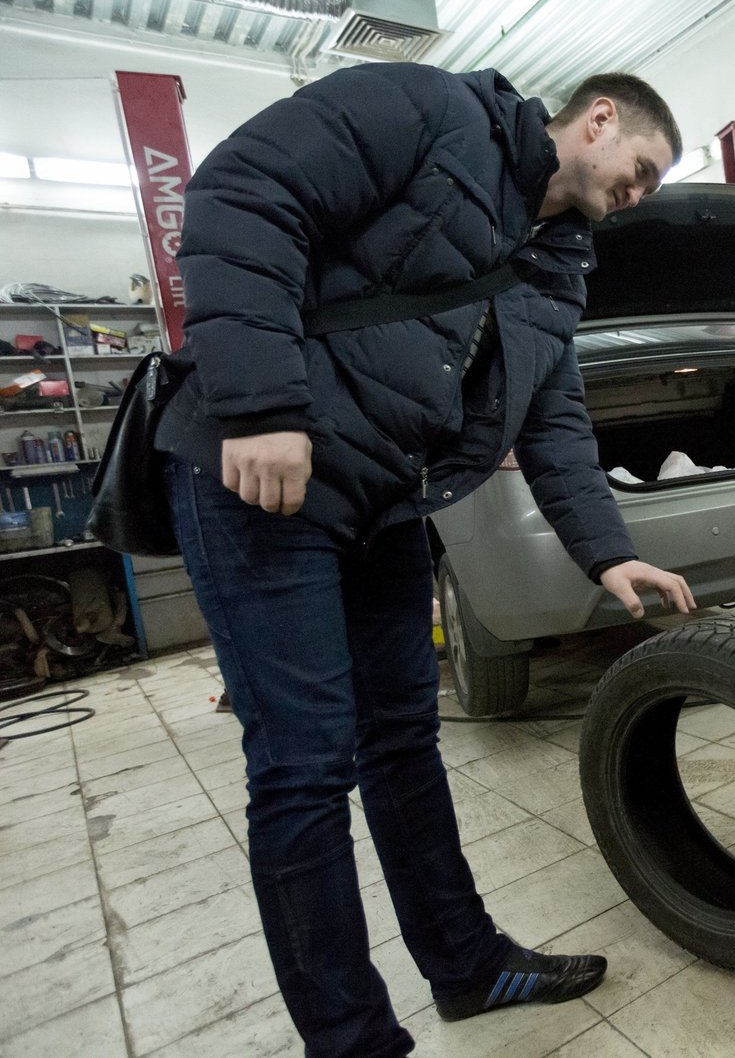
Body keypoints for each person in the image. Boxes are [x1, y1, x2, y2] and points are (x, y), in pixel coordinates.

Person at [155, 63, 695, 1056]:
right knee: (304, 768)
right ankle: (354, 1037)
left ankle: (467, 965)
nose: (640, 193)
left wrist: (607, 554)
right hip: (265, 481)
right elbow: (243, 190)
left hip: (385, 504)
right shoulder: (432, 111)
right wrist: (263, 405)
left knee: (403, 743)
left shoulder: (560, 262)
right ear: (598, 120)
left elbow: (555, 415)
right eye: (645, 169)